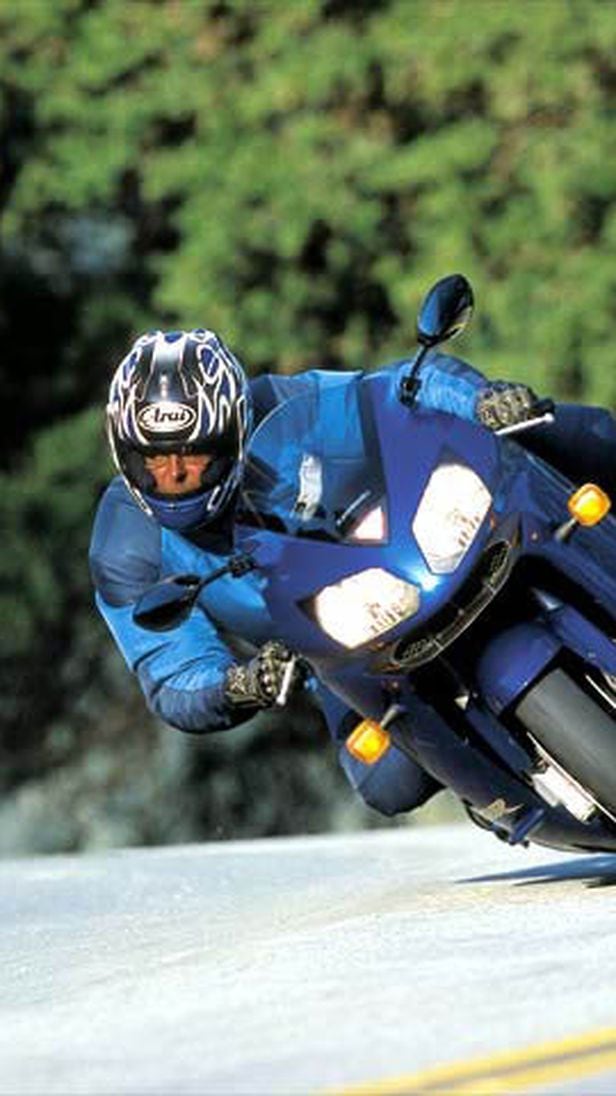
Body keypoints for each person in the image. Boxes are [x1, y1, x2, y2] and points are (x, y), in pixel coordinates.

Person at [89, 328, 616, 818]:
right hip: (336, 647)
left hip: (407, 550)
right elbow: (172, 672)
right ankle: (499, 783)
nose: (175, 475)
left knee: (572, 430)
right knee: (387, 783)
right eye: (152, 462)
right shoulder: (125, 545)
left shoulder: (287, 406)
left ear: (234, 429)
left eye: (196, 455)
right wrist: (239, 686)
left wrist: (481, 399)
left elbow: (400, 389)